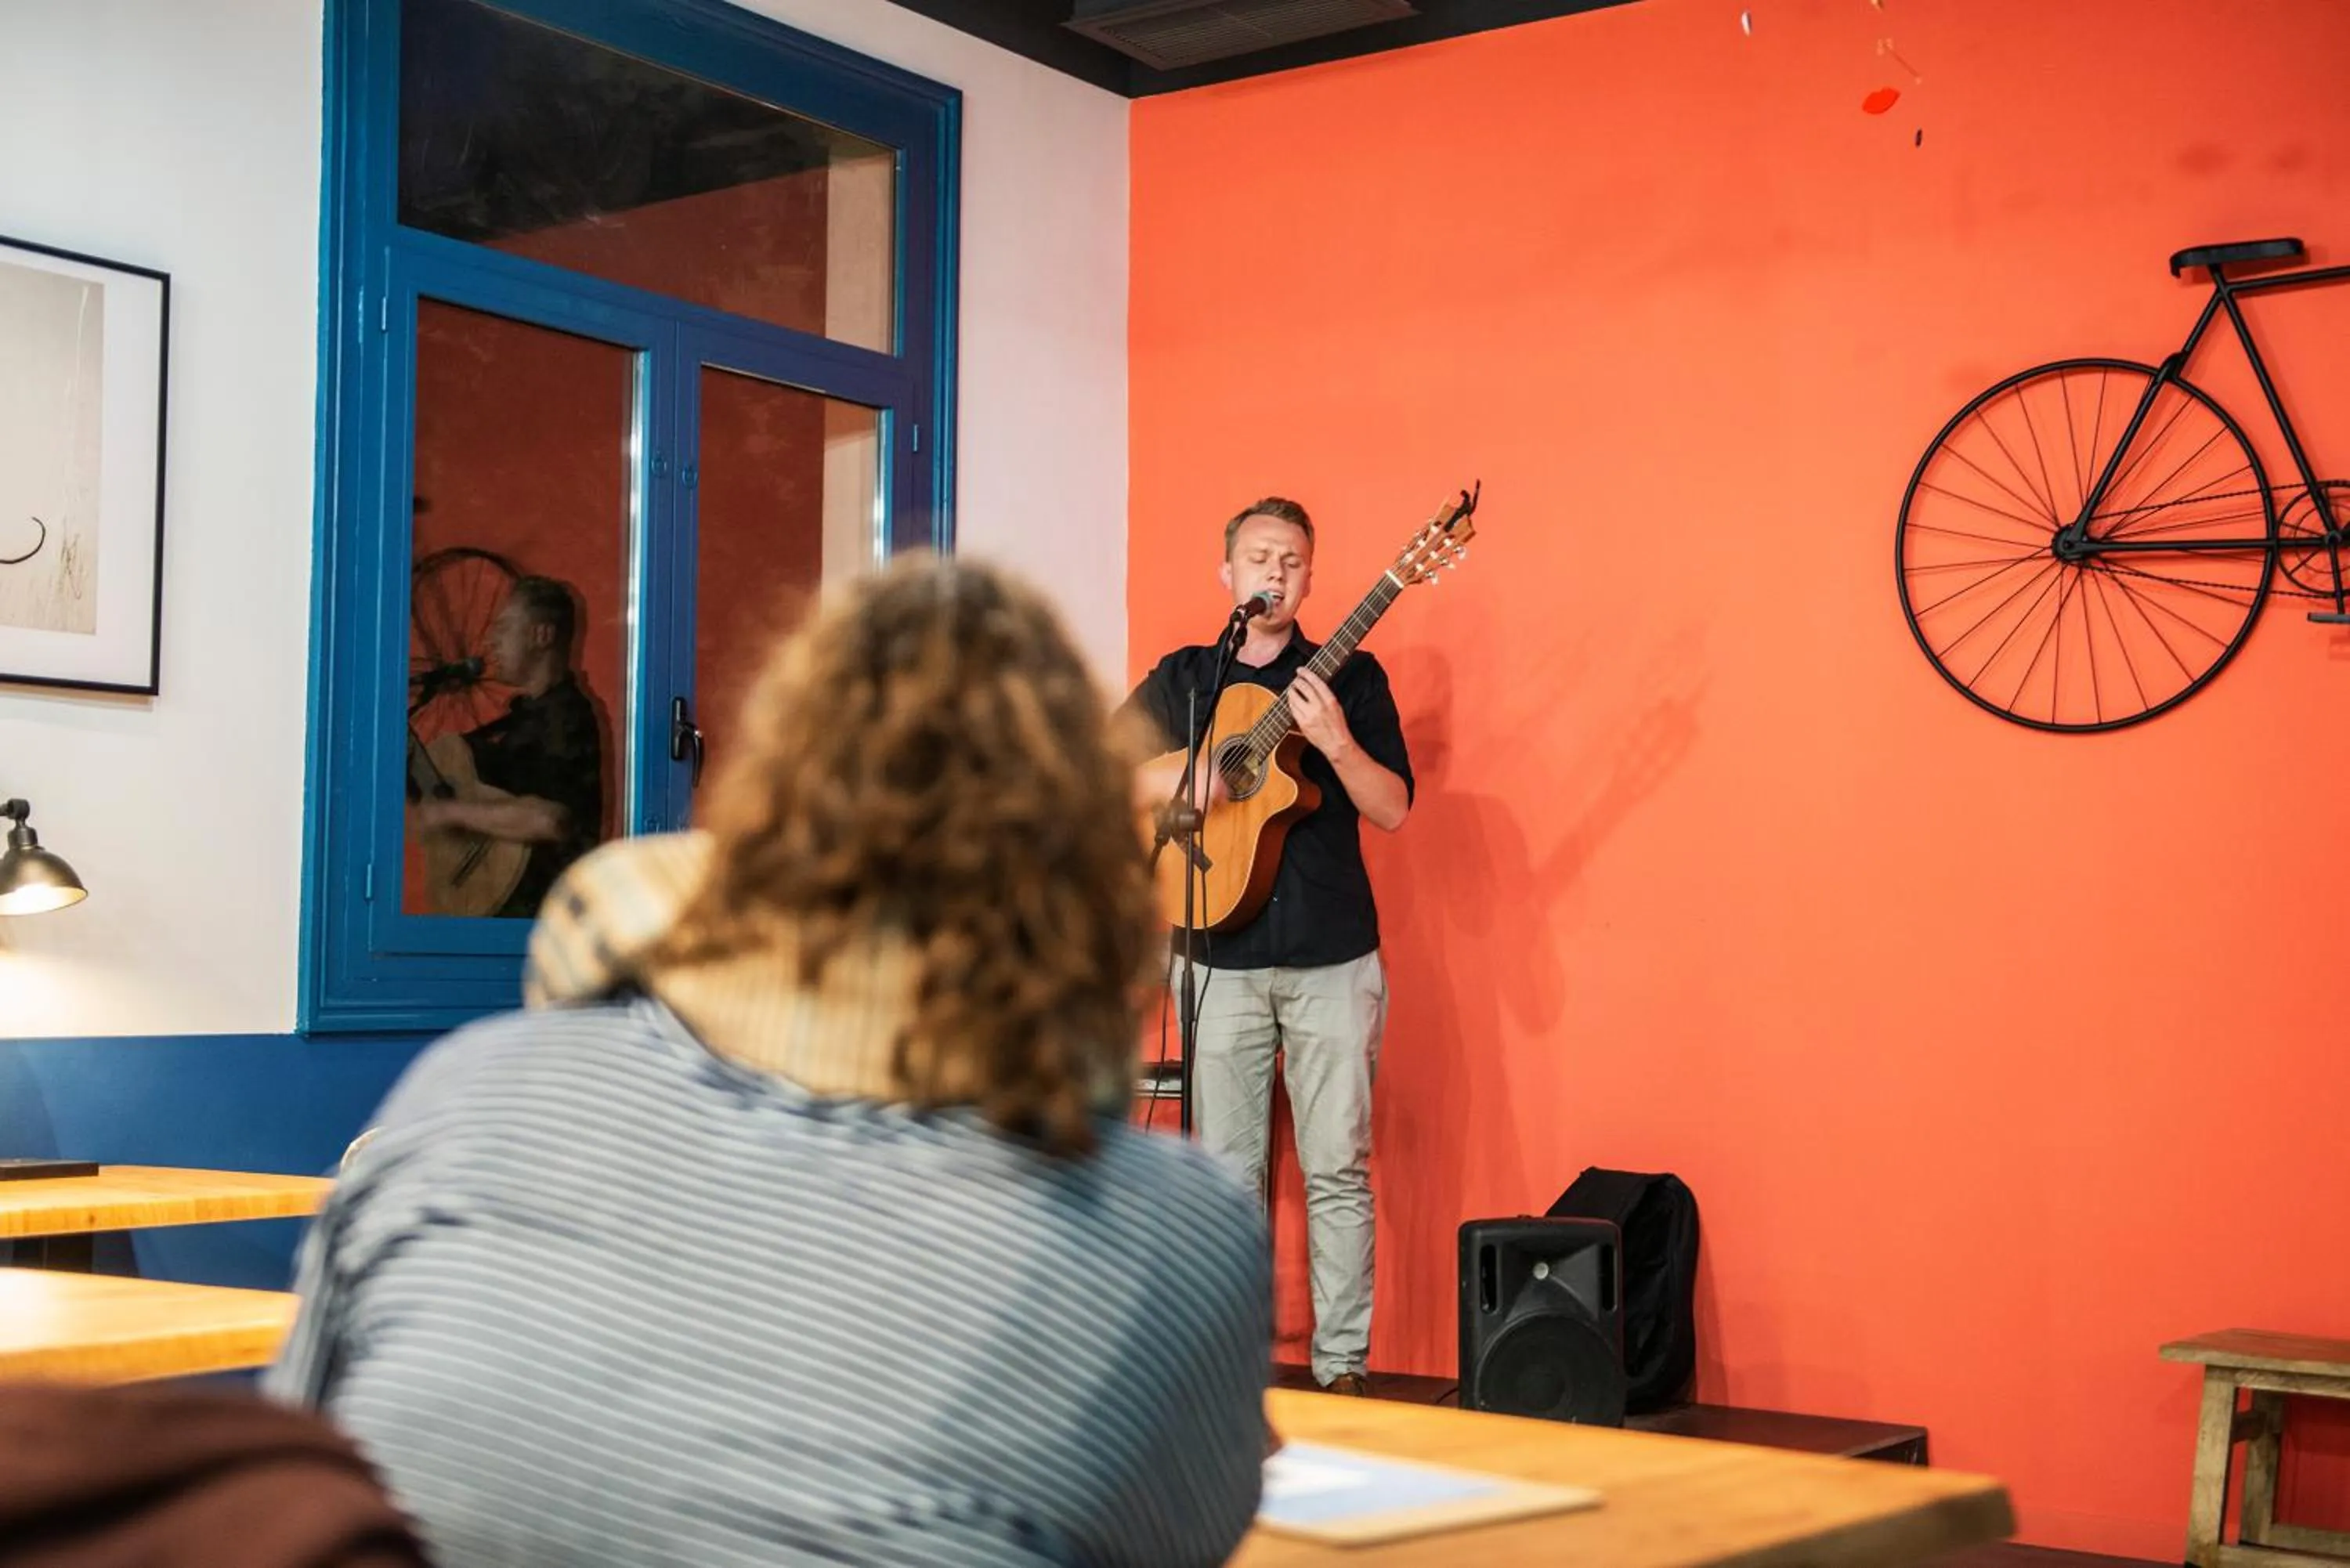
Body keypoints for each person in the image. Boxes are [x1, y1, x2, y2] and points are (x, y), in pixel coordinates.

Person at [269, 555, 1274, 1568]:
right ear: (1087, 843)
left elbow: (289, 1483)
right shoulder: (1167, 1229)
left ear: (767, 798)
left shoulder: (467, 1095)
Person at [1126, 497, 1413, 1399]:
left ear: (1311, 578)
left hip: (1332, 954)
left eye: (1292, 560)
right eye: (1259, 557)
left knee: (1336, 1168)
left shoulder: (1351, 678)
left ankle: (1341, 1374)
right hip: (1215, 957)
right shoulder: (1187, 679)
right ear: (1229, 576)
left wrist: (1333, 739)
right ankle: (1229, 1380)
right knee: (1226, 1179)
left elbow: (1393, 806)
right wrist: (1195, 771)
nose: (1275, 573)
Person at [412, 574, 603, 919]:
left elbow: (550, 820)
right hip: (504, 913)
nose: (491, 640)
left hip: (537, 923)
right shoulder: (523, 719)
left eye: (503, 627)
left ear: (541, 635)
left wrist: (450, 813)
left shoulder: (566, 718)